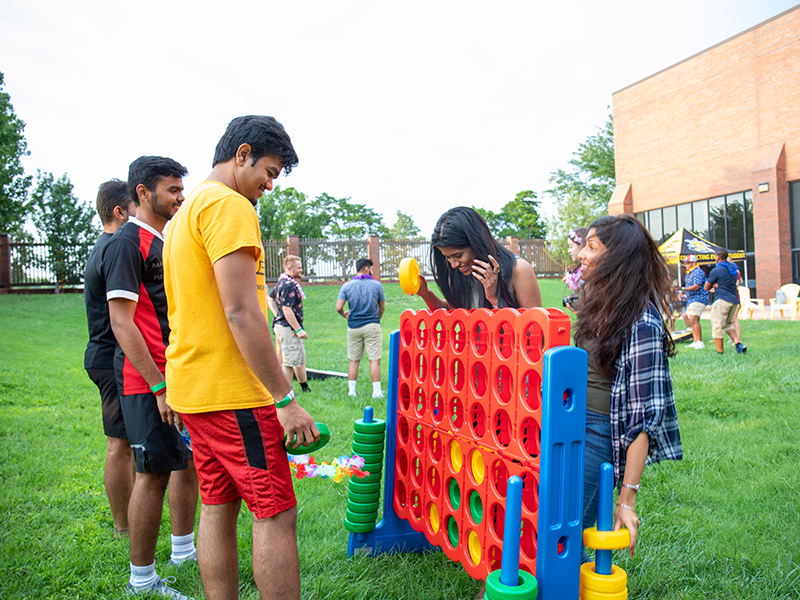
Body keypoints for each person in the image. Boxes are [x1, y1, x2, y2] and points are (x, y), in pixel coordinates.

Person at [162, 115, 319, 600]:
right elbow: (241, 312)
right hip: (233, 395)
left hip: (192, 389)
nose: (269, 186)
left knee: (218, 505)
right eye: (268, 172)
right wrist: (285, 398)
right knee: (275, 511)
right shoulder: (229, 206)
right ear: (243, 153)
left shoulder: (184, 214)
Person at [104, 157, 199, 599]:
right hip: (148, 383)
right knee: (153, 475)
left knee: (186, 464)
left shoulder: (163, 239)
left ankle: (184, 551)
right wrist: (159, 386)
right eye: (172, 189)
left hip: (176, 376)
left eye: (182, 188)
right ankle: (141, 581)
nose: (181, 196)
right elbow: (123, 324)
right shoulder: (128, 242)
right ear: (143, 193)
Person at [574, 214, 682, 561]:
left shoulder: (642, 322)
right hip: (566, 425)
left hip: (597, 433)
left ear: (617, 257)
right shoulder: (596, 303)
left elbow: (642, 420)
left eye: (591, 247)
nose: (580, 255)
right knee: (547, 520)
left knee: (565, 532)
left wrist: (626, 500)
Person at [83, 179, 136, 538]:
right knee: (119, 445)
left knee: (128, 444)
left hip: (107, 355)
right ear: (120, 211)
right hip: (109, 357)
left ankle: (130, 520)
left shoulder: (102, 246)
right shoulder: (116, 246)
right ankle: (123, 528)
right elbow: (120, 320)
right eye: (135, 207)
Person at [415, 206, 542, 310]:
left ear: (477, 243)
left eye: (458, 255)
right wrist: (426, 294)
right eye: (447, 257)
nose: (453, 264)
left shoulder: (519, 270)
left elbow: (535, 332)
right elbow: (452, 311)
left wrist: (495, 301)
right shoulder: (459, 272)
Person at [335, 258, 386, 398]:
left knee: (354, 360)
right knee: (374, 360)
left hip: (353, 327)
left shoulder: (346, 286)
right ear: (366, 269)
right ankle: (376, 392)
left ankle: (352, 392)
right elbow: (382, 308)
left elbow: (338, 307)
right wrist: (376, 320)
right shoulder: (377, 285)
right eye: (371, 268)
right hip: (372, 326)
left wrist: (345, 314)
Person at [271, 255, 311, 392]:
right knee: (289, 361)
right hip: (288, 328)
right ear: (290, 269)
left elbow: (270, 298)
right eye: (299, 268)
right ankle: (287, 393)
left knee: (298, 358)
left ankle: (305, 388)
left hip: (284, 326)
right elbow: (287, 309)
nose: (301, 270)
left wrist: (277, 314)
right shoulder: (288, 285)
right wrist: (298, 329)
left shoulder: (282, 282)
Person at [704, 250, 747, 354]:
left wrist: (713, 285)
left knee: (717, 324)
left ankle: (720, 351)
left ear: (718, 257)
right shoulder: (733, 269)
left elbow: (706, 286)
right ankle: (738, 344)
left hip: (722, 300)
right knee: (728, 324)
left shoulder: (717, 270)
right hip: (734, 300)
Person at [678, 255, 709, 349]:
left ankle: (699, 341)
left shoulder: (698, 272)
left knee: (693, 318)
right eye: (685, 263)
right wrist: (682, 292)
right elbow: (689, 285)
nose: (686, 265)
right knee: (691, 319)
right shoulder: (689, 273)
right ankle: (695, 340)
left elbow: (696, 286)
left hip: (699, 297)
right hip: (691, 298)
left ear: (693, 263)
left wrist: (682, 288)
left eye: (687, 263)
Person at [562, 227, 588, 312]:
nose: (569, 251)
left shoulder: (590, 271)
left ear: (581, 246)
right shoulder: (582, 270)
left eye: (571, 247)